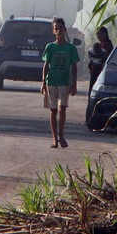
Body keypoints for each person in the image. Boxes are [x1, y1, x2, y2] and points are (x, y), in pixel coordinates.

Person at [41, 17, 80, 148]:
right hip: (51, 81)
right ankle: (54, 139)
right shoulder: (50, 47)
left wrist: (74, 83)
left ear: (65, 29)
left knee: (62, 109)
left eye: (60, 28)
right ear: (53, 31)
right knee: (53, 111)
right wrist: (43, 83)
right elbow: (46, 65)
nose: (58, 30)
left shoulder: (71, 48)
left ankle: (61, 135)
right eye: (56, 28)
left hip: (64, 82)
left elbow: (74, 66)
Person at [87, 26, 114, 91]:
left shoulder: (105, 45)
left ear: (106, 34)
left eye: (100, 34)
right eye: (97, 34)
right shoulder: (102, 44)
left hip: (99, 70)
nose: (98, 36)